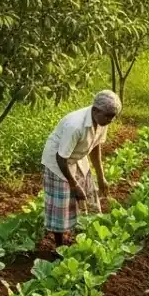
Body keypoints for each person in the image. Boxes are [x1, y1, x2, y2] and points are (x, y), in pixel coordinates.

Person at [41, 89, 122, 252]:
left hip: (77, 156)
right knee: (62, 205)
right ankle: (60, 247)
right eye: (108, 116)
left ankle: (85, 237)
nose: (111, 120)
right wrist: (74, 185)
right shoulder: (75, 125)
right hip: (58, 161)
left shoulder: (102, 121)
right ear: (96, 110)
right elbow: (61, 158)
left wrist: (101, 176)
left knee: (89, 195)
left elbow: (95, 147)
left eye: (113, 116)